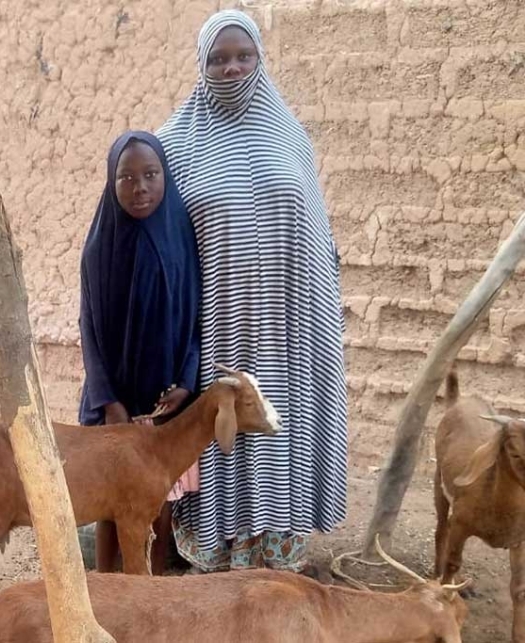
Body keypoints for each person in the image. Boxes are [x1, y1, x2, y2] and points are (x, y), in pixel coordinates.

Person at [156, 10, 348, 575]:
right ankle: (215, 565)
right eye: (218, 58)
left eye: (243, 56)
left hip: (288, 333)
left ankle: (273, 562)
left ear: (260, 60)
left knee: (274, 430)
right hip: (214, 330)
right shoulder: (173, 145)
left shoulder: (291, 136)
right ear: (201, 64)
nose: (232, 67)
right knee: (220, 436)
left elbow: (316, 238)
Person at [78, 130, 201, 574]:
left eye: (151, 175)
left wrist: (187, 383)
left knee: (159, 499)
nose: (140, 187)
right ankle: (107, 585)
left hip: (163, 404)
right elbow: (88, 329)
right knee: (111, 501)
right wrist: (108, 401)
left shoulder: (179, 238)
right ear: (112, 183)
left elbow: (194, 322)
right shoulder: (100, 247)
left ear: (165, 177)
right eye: (126, 178)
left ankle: (151, 584)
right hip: (114, 406)